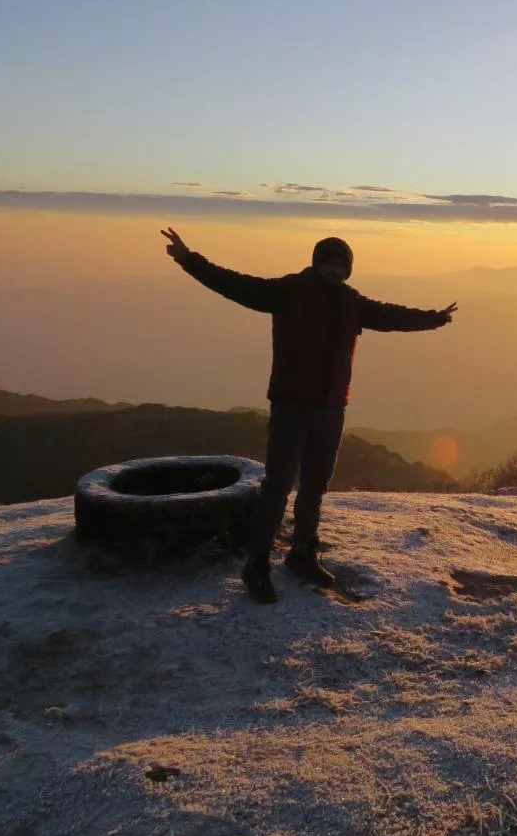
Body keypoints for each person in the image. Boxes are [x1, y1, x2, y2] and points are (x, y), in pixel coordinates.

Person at [161, 228, 456, 603]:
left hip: (332, 408)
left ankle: (302, 552)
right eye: (329, 265)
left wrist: (433, 318)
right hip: (291, 405)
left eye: (341, 267)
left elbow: (389, 315)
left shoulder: (352, 303)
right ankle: (257, 562)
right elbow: (234, 284)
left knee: (315, 485)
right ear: (316, 264)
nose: (335, 272)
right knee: (279, 485)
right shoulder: (288, 291)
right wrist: (189, 260)